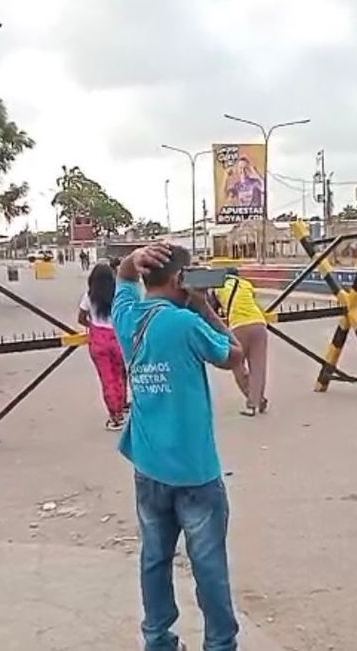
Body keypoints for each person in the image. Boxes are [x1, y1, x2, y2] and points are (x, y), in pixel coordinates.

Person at [112, 243, 244, 651]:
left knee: (155, 558)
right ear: (179, 280)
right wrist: (203, 307)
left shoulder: (126, 318)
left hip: (148, 467)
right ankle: (220, 644)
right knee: (208, 568)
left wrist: (132, 261)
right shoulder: (186, 325)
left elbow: (122, 279)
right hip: (195, 471)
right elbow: (235, 354)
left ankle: (157, 639)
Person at [213, 269, 269, 416]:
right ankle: (256, 401)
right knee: (258, 366)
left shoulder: (219, 287)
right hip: (259, 323)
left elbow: (213, 308)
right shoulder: (246, 284)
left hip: (238, 326)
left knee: (237, 363)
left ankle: (253, 401)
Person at [79, 262, 127, 430]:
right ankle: (121, 409)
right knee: (119, 375)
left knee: (106, 378)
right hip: (117, 338)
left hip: (99, 340)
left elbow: (81, 318)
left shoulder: (89, 296)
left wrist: (92, 324)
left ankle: (114, 416)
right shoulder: (118, 295)